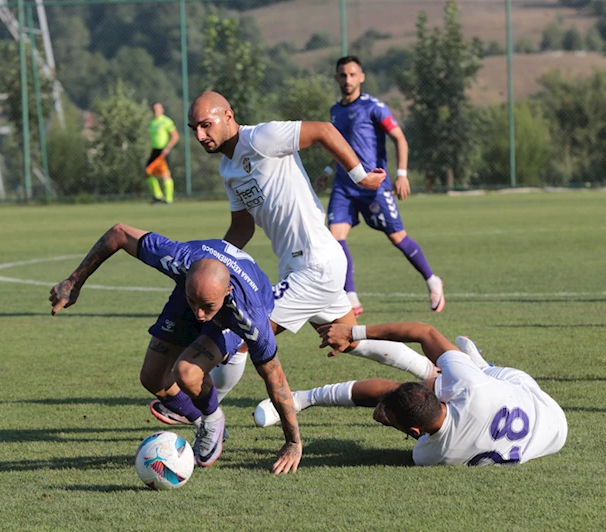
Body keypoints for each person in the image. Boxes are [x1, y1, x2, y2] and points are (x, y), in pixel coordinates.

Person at [148, 90, 442, 428]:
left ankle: (205, 415)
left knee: (244, 332)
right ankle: (431, 374)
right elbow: (242, 227)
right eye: (193, 129)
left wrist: (359, 175)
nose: (200, 135)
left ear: (228, 116)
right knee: (350, 339)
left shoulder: (261, 137)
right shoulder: (229, 169)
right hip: (301, 266)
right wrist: (211, 264)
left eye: (206, 125)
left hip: (316, 265)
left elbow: (323, 131)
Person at [48, 223, 301, 474]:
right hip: (197, 288)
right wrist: (73, 282)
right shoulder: (178, 259)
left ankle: (212, 420)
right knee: (152, 378)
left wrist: (293, 442)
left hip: (234, 313)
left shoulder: (250, 316)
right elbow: (119, 233)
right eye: (195, 303)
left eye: (207, 306)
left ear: (227, 291)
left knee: (187, 372)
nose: (200, 315)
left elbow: (275, 379)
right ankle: (205, 420)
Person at [253, 323, 568, 467]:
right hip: (546, 416)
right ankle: (478, 363)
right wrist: (354, 332)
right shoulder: (469, 392)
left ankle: (303, 397)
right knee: (463, 375)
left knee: (403, 390)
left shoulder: (427, 455)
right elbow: (425, 332)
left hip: (533, 415)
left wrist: (390, 413)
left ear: (415, 433)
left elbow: (422, 336)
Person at [314, 56, 444, 316]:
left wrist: (402, 174)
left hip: (373, 184)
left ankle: (432, 280)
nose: (347, 79)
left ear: (361, 77)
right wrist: (327, 172)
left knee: (397, 237)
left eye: (352, 74)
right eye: (343, 75)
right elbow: (339, 149)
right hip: (344, 185)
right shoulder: (335, 111)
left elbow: (399, 138)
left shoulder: (374, 107)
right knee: (336, 236)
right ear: (336, 78)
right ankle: (351, 296)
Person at [146, 102, 179, 204]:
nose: (155, 111)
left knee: (165, 174)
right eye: (154, 109)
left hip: (163, 151)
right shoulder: (152, 122)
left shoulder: (166, 121)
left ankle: (169, 199)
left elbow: (175, 136)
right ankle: (158, 196)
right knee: (148, 173)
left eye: (157, 109)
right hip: (154, 150)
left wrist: (168, 147)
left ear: (162, 110)